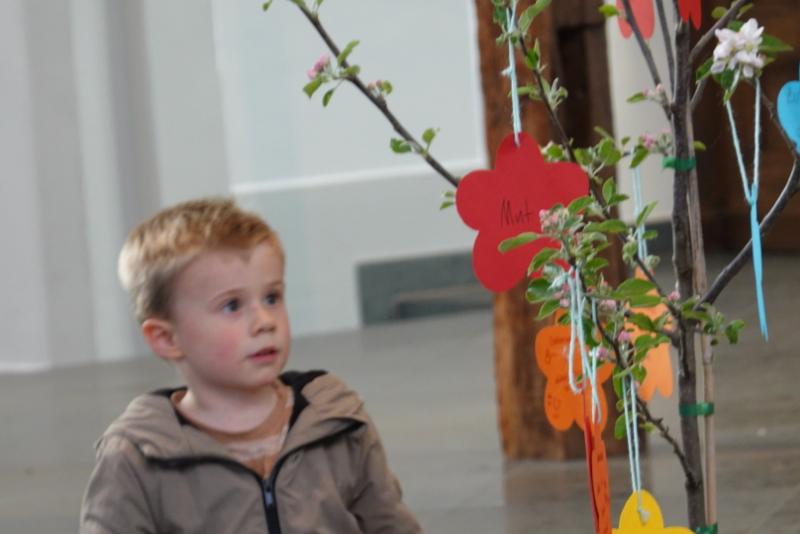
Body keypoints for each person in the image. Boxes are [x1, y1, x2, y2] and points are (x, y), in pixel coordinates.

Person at [80, 198, 421, 533]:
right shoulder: (138, 456)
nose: (264, 321)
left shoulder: (335, 419)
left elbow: (390, 524)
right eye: (232, 306)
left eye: (272, 298)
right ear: (167, 338)